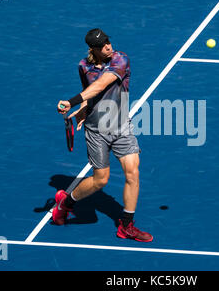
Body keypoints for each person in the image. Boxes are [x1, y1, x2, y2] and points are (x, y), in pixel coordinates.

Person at [54, 28, 153, 242]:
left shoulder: (120, 59)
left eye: (108, 41)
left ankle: (126, 226)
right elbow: (91, 92)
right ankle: (66, 202)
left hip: (121, 127)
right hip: (96, 130)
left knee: (133, 173)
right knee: (101, 181)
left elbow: (101, 84)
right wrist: (82, 110)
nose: (108, 46)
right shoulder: (84, 66)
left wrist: (71, 102)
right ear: (93, 49)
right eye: (102, 45)